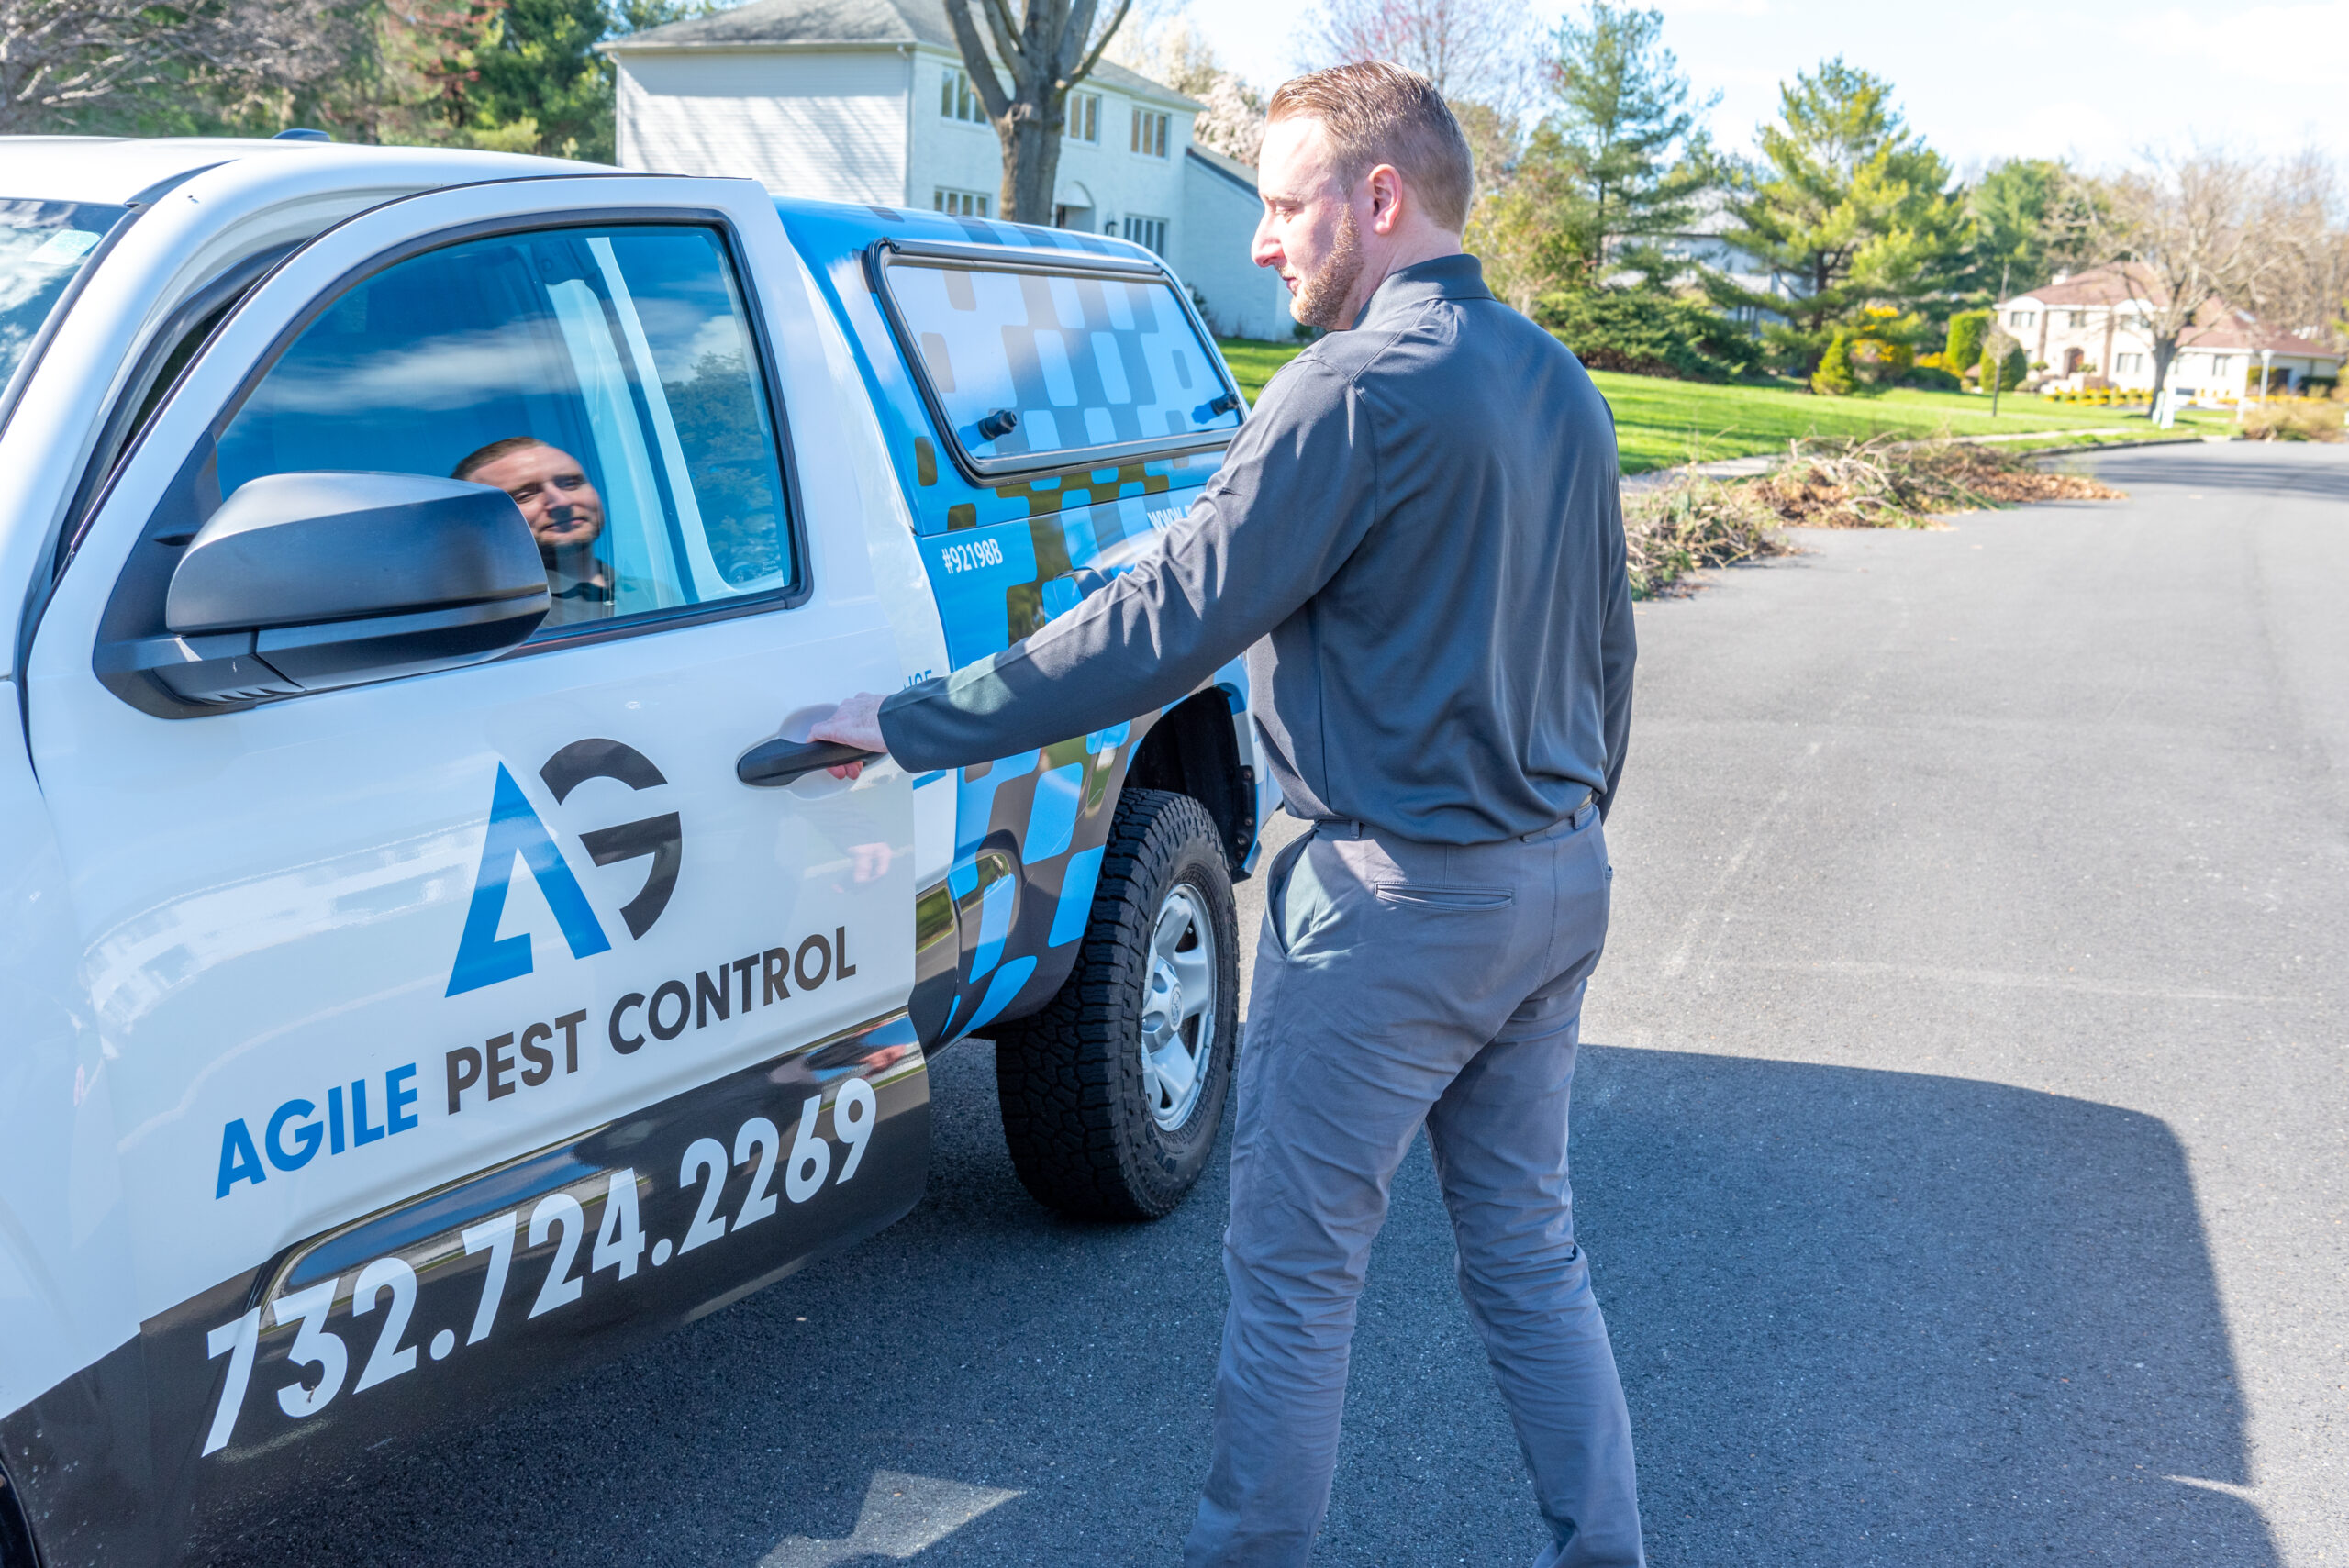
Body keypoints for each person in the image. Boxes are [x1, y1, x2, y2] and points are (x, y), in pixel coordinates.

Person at [815, 61, 1641, 1568]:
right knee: (1530, 1252)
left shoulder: (1348, 394)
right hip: (1555, 879)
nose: (1263, 240)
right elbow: (1610, 654)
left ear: (1376, 198)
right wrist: (1559, 836)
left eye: (1280, 203)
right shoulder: (1560, 383)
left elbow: (1157, 625)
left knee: (1295, 1275)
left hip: (1398, 908)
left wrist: (914, 720)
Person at [452, 437, 630, 625]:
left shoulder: (654, 592)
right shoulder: (499, 622)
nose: (562, 502)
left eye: (571, 484)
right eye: (525, 495)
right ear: (477, 526)